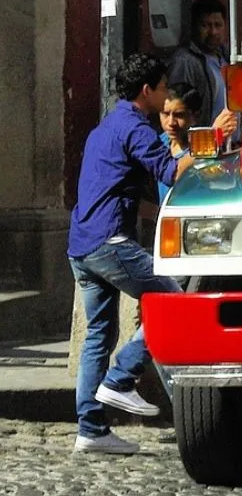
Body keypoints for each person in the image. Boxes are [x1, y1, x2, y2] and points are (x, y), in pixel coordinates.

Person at [70, 53, 193, 455]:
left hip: (81, 245)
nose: (164, 96)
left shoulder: (105, 126)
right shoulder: (136, 128)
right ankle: (121, 379)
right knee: (173, 301)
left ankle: (91, 430)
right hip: (109, 242)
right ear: (148, 91)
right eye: (161, 89)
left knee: (99, 334)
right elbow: (172, 173)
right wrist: (211, 148)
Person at [167, 0, 239, 141]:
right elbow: (177, 113)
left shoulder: (229, 56)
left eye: (218, 25)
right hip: (206, 148)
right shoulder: (185, 62)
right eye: (205, 25)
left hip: (233, 147)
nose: (213, 32)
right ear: (193, 27)